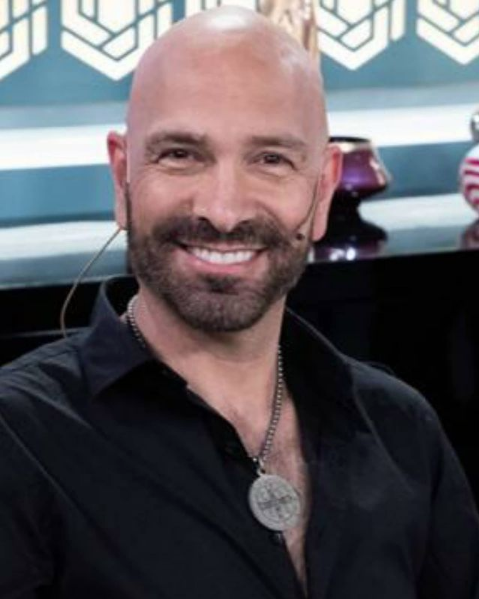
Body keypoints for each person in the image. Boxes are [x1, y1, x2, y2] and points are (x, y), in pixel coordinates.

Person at [1, 7, 478, 599]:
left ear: (324, 188)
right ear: (121, 176)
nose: (224, 211)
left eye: (271, 159)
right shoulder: (17, 440)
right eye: (181, 154)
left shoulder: (402, 430)